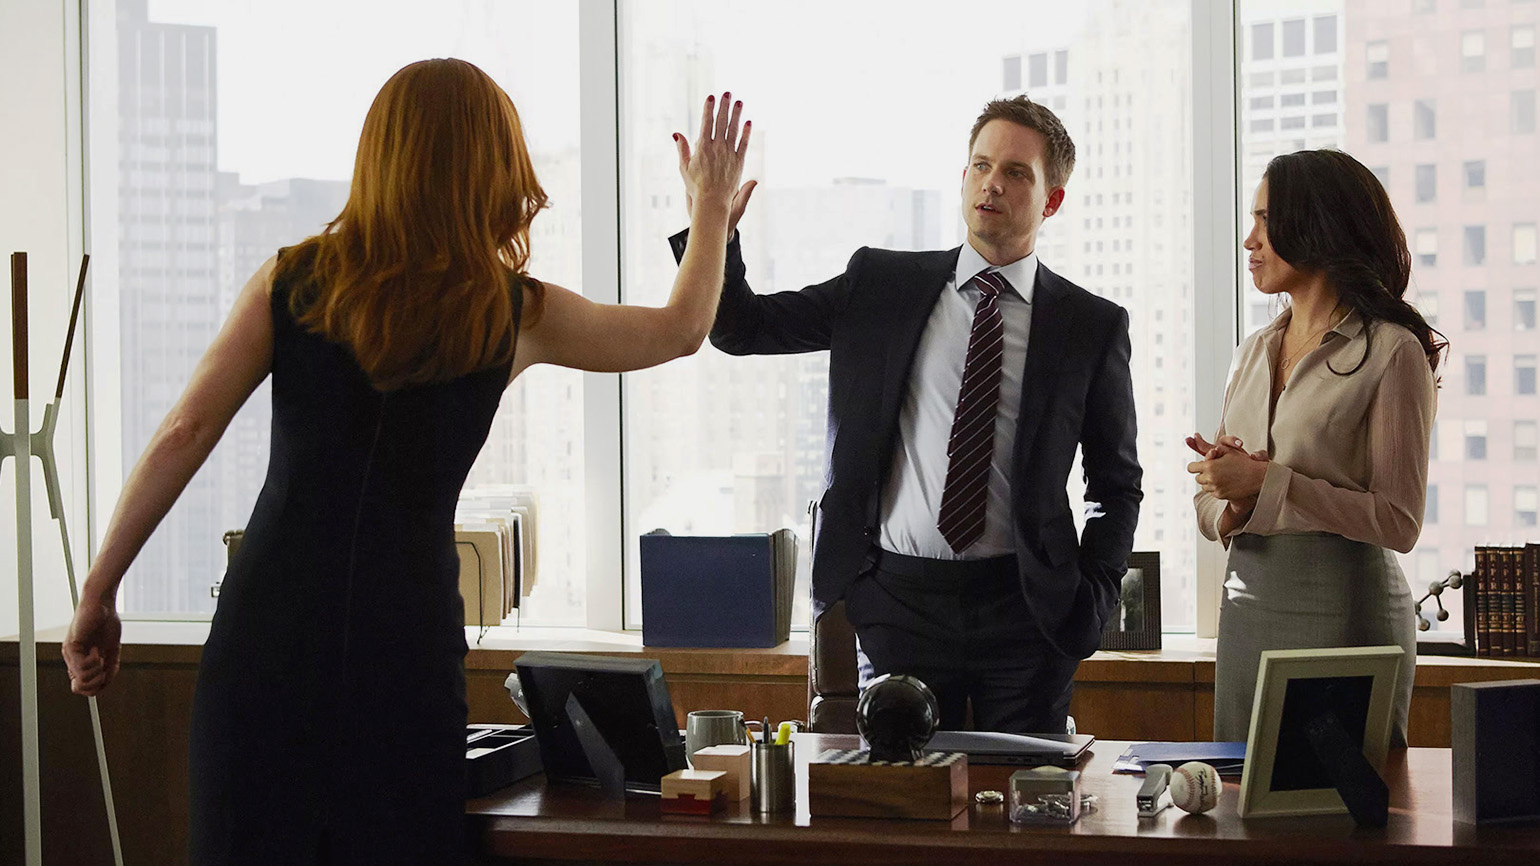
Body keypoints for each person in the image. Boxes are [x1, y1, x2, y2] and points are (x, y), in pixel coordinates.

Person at [60, 59, 752, 864]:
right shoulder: (513, 312)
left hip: (266, 642)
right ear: (492, 168)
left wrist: (99, 589)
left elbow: (185, 431)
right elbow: (679, 330)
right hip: (406, 652)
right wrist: (709, 210)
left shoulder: (292, 281)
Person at [672, 95, 1142, 734]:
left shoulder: (1091, 325)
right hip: (899, 603)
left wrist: (1095, 595)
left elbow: (1115, 485)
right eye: (981, 166)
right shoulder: (880, 285)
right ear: (964, 177)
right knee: (900, 786)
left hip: (1028, 612)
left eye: (1015, 173)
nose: (991, 184)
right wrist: (714, 228)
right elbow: (741, 327)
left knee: (1025, 790)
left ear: (1051, 200)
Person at [1188, 149, 1444, 746]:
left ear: (1318, 226)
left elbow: (1399, 521)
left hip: (1347, 619)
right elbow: (1211, 502)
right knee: (1243, 794)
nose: (1249, 240)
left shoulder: (1392, 351)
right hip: (1247, 611)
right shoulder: (1252, 351)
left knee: (1341, 797)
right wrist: (1231, 496)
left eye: (1265, 220)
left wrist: (1267, 483)